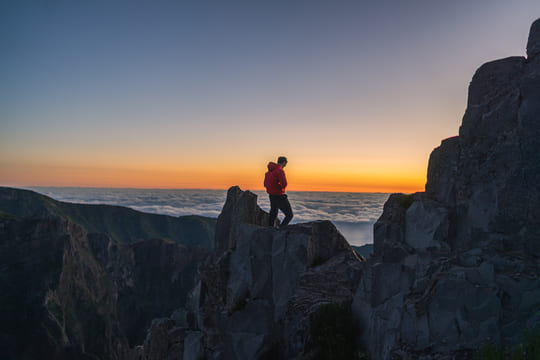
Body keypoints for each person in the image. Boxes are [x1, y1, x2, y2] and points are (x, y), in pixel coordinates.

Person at [264, 156, 293, 228]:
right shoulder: (280, 171)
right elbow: (284, 184)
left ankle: (270, 229)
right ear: (283, 163)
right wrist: (279, 188)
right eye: (285, 164)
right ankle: (281, 229)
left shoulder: (268, 173)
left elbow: (265, 184)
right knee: (289, 215)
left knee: (273, 213)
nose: (285, 165)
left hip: (271, 195)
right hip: (279, 195)